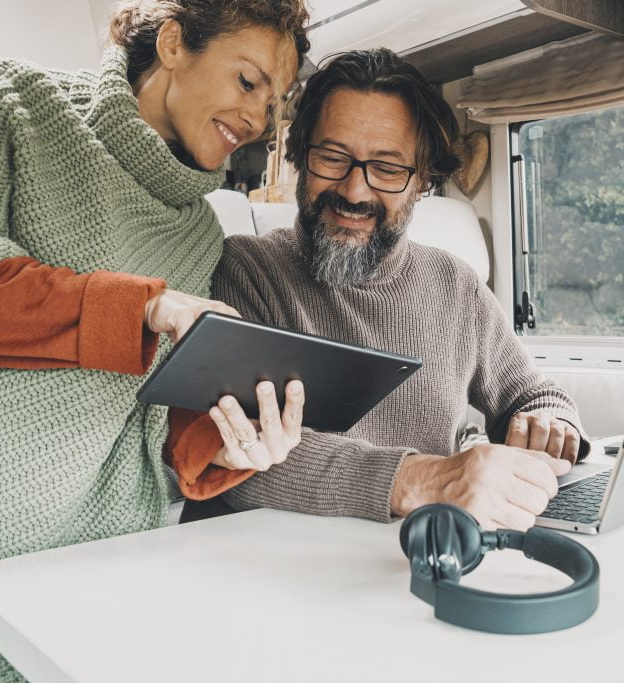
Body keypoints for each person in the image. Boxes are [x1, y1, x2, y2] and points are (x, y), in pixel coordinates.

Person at [0, 1, 310, 680]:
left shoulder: (198, 232)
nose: (259, 118)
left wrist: (228, 444)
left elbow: (142, 413)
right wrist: (144, 308)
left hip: (59, 567)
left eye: (276, 103)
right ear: (173, 43)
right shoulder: (8, 98)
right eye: (249, 81)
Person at [178, 49, 590, 532]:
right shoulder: (246, 269)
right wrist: (424, 479)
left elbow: (532, 394)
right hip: (264, 562)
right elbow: (235, 453)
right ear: (299, 162)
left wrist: (550, 423)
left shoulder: (458, 286)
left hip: (409, 557)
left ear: (423, 184)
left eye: (388, 169)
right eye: (333, 158)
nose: (355, 191)